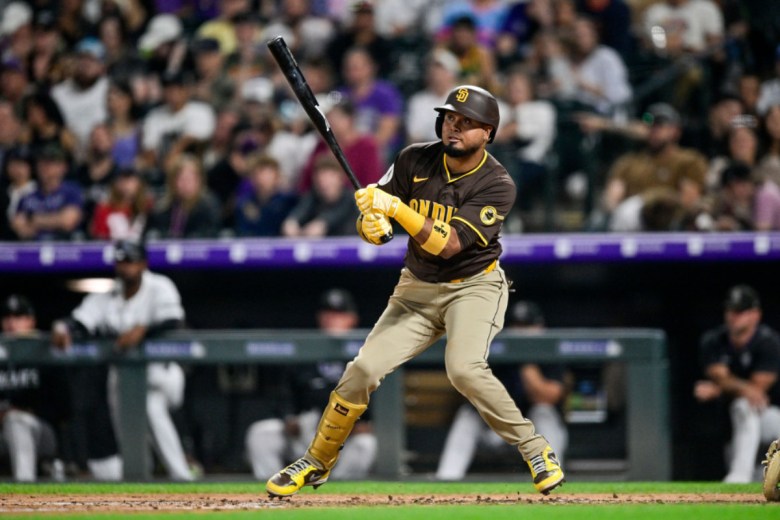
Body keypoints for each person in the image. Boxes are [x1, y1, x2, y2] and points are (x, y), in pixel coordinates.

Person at [265, 85, 565, 498]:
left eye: (465, 123)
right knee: (362, 370)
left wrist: (395, 212)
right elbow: (381, 219)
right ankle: (316, 461)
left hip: (474, 285)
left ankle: (536, 450)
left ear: (489, 133)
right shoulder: (413, 158)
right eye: (449, 118)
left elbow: (449, 243)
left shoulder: (498, 183)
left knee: (464, 368)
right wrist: (372, 229)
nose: (453, 128)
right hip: (417, 287)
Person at [51, 240, 195, 481]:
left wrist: (144, 329)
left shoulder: (160, 286)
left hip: (162, 372)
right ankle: (140, 480)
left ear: (142, 264)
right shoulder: (109, 295)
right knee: (125, 425)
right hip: (122, 374)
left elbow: (174, 320)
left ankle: (181, 475)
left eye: (129, 261)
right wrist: (62, 327)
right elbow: (81, 321)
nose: (124, 267)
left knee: (150, 405)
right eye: (120, 262)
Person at [245, 288, 377, 480]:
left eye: (339, 314)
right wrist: (289, 418)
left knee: (366, 443)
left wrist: (365, 423)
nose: (332, 319)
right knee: (261, 433)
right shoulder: (305, 351)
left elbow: (377, 399)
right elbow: (284, 395)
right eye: (328, 314)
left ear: (352, 319)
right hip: (305, 432)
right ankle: (275, 491)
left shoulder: (366, 353)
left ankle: (337, 493)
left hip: (345, 436)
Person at [436, 300, 569, 480]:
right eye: (517, 326)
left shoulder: (549, 351)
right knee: (468, 416)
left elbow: (548, 396)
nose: (522, 332)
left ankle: (551, 477)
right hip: (496, 432)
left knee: (544, 412)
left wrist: (525, 362)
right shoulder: (493, 351)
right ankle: (446, 482)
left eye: (528, 326)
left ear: (540, 326)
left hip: (534, 434)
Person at [693, 285, 780, 483]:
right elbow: (720, 377)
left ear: (755, 314)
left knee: (746, 405)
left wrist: (719, 389)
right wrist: (738, 387)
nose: (733, 316)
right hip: (736, 431)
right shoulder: (714, 341)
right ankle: (742, 475)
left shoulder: (769, 342)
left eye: (740, 311)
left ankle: (740, 475)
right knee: (757, 490)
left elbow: (757, 392)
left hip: (770, 419)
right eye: (730, 310)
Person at [0, 295, 69, 481]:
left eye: (19, 317)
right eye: (7, 317)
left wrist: (26, 409)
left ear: (31, 321)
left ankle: (25, 489)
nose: (12, 323)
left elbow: (64, 407)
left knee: (16, 421)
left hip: (40, 433)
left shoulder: (44, 351)